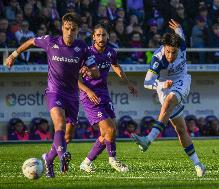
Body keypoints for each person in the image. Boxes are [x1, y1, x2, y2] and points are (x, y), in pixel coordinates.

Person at [5, 12, 98, 178]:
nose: (70, 32)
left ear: (78, 30)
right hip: (54, 92)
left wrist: (89, 72)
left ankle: (48, 159)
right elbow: (31, 41)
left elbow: (96, 72)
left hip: (72, 95)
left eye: (73, 29)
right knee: (59, 125)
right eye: (67, 28)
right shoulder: (51, 41)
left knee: (67, 137)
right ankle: (63, 157)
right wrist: (14, 54)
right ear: (62, 28)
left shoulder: (83, 48)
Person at [131, 19, 206, 177]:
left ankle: (148, 139)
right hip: (163, 86)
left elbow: (180, 33)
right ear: (163, 48)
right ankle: (198, 164)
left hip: (182, 82)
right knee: (181, 130)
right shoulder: (157, 59)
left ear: (179, 48)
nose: (170, 55)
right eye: (168, 52)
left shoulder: (182, 44)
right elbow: (147, 82)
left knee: (169, 100)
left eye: (174, 52)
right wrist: (161, 84)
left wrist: (179, 27)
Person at [77, 24, 138, 173]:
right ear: (93, 37)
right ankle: (113, 160)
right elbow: (73, 78)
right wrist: (88, 91)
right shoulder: (86, 53)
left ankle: (86, 162)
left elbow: (116, 66)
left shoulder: (111, 52)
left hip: (104, 94)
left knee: (109, 132)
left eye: (103, 35)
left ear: (108, 37)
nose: (101, 38)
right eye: (98, 35)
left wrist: (128, 82)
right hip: (90, 96)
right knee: (109, 129)